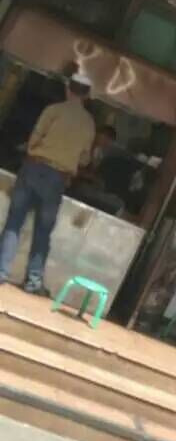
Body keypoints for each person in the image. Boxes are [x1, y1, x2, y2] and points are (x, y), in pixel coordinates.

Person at [0, 72, 95, 294]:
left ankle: (1, 272)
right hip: (58, 178)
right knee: (43, 230)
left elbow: (34, 140)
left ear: (68, 89)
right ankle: (33, 282)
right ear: (87, 95)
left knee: (14, 222)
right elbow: (84, 159)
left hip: (33, 168)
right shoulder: (88, 123)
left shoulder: (53, 110)